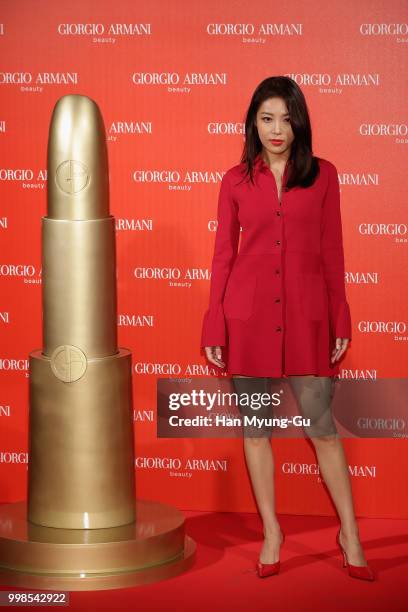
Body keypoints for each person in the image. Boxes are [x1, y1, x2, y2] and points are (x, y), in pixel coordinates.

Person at [200, 76, 374, 581]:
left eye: (286, 118)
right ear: (253, 123)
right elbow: (222, 258)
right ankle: (272, 532)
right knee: (256, 433)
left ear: (301, 121)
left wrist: (339, 313)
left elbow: (333, 252)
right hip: (247, 320)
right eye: (266, 118)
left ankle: (352, 534)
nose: (277, 129)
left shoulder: (324, 176)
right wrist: (215, 324)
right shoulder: (234, 181)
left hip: (305, 316)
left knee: (322, 431)